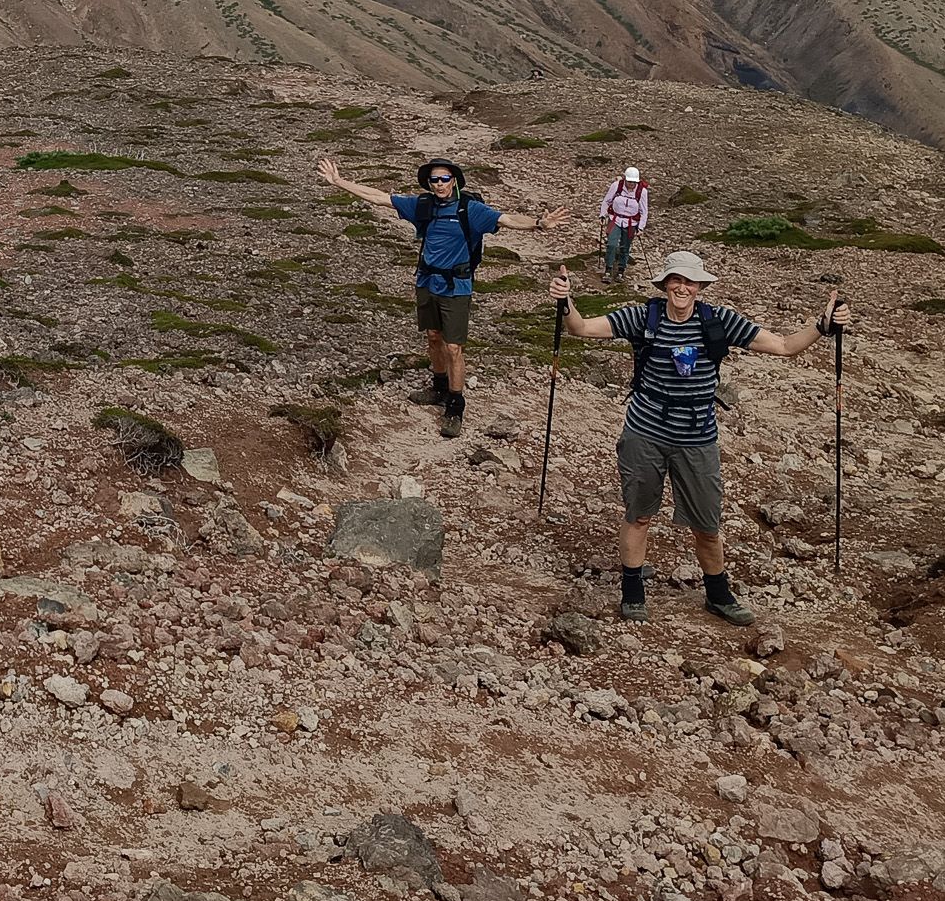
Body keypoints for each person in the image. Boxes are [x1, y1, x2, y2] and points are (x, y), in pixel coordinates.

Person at [548, 251, 849, 625]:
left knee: (707, 526)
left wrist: (822, 325)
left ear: (701, 287)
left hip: (698, 437)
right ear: (664, 284)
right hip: (645, 432)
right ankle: (632, 591)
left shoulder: (718, 321)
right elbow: (581, 328)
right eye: (676, 279)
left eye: (690, 281)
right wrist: (566, 301)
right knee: (639, 516)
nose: (682, 287)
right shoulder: (643, 316)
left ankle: (718, 595)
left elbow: (783, 346)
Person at [316, 155, 570, 438]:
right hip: (427, 281)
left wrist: (538, 223)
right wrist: (339, 182)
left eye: (444, 179)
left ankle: (455, 404)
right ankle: (438, 387)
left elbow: (506, 219)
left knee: (453, 348)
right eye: (434, 179)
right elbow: (379, 198)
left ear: (454, 181)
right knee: (433, 337)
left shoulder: (470, 209)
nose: (439, 184)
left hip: (456, 287)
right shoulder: (422, 206)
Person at [598, 166, 649, 282]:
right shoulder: (616, 186)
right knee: (611, 244)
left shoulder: (642, 192)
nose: (631, 184)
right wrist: (602, 214)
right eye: (629, 181)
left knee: (625, 248)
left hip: (631, 223)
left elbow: (644, 211)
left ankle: (621, 270)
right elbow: (607, 201)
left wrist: (641, 227)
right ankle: (608, 269)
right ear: (625, 179)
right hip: (615, 219)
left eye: (634, 182)